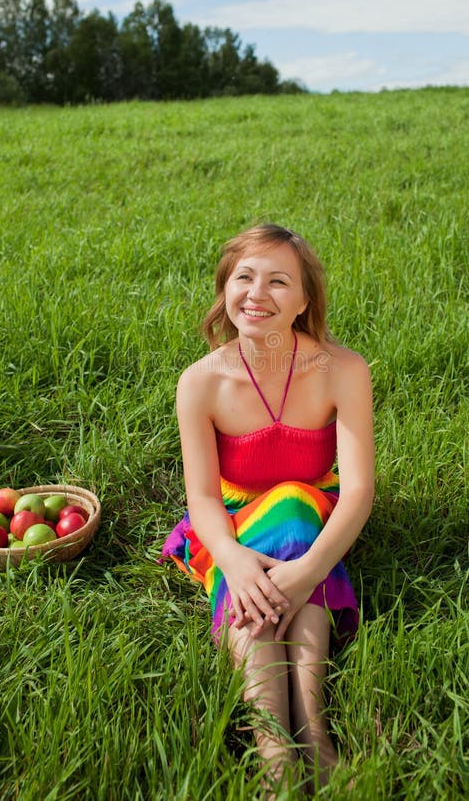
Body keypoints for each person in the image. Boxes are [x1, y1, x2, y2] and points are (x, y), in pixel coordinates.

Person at [162, 223, 374, 792]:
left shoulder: (343, 369)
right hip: (229, 524)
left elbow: (356, 491)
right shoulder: (200, 383)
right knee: (261, 561)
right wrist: (230, 558)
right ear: (224, 289)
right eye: (244, 277)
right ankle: (275, 740)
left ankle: (311, 729)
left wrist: (309, 568)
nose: (257, 293)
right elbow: (203, 497)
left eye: (279, 281)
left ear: (304, 301)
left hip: (313, 517)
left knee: (295, 511)